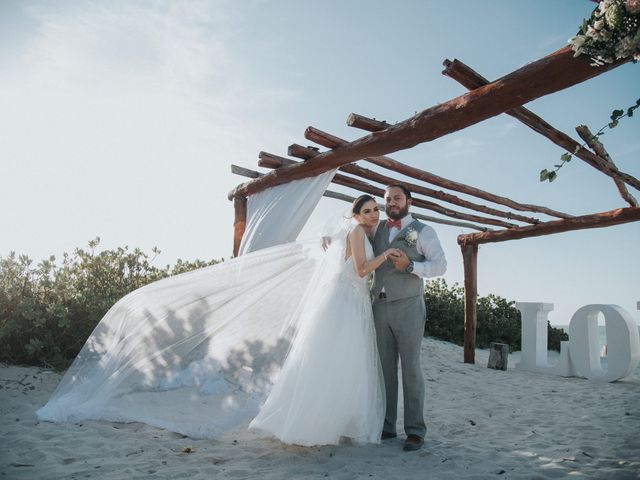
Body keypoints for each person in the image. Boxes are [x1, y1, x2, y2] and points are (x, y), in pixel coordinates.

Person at [249, 195, 399, 446]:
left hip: (351, 298)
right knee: (338, 360)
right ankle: (317, 423)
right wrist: (386, 255)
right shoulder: (358, 232)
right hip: (347, 301)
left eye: (376, 209)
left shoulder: (355, 232)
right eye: (368, 211)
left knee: (340, 362)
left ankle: (335, 421)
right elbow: (362, 269)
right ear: (356, 215)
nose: (374, 214)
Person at [371, 184, 447, 452]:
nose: (392, 202)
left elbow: (441, 265)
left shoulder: (424, 231)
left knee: (411, 369)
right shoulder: (376, 228)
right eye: (388, 198)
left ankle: (415, 431)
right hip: (378, 307)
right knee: (384, 369)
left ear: (409, 202)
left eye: (397, 198)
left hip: (409, 306)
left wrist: (411, 266)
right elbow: (352, 237)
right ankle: (387, 426)